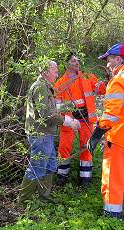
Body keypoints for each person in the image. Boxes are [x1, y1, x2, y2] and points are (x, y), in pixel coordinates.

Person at [18, 61, 80, 204]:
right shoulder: (40, 87)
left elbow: (51, 110)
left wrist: (66, 114)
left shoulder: (46, 87)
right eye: (55, 70)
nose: (57, 74)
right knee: (37, 167)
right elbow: (46, 114)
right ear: (45, 72)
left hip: (47, 134)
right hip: (40, 135)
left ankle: (43, 198)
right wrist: (67, 122)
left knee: (50, 166)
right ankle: (23, 201)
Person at [53, 53, 106, 187]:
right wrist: (67, 116)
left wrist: (106, 81)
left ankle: (85, 179)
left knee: (86, 147)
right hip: (69, 119)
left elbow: (101, 90)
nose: (77, 63)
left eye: (78, 60)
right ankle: (62, 176)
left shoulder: (88, 76)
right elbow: (57, 106)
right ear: (66, 64)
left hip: (86, 118)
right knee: (64, 147)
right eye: (73, 60)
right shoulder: (60, 83)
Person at [87, 43, 124, 219]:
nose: (108, 64)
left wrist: (97, 134)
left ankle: (112, 217)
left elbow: (111, 114)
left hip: (118, 139)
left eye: (109, 60)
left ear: (118, 59)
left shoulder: (118, 80)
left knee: (112, 178)